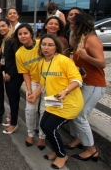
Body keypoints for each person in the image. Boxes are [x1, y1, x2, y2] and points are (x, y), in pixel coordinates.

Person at [31, 34, 83, 169]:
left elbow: (77, 80)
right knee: (44, 125)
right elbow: (43, 83)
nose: (46, 47)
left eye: (50, 45)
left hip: (69, 102)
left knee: (50, 127)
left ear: (56, 47)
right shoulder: (42, 62)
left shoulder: (64, 61)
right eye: (44, 44)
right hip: (54, 100)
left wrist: (66, 91)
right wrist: (35, 94)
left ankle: (62, 155)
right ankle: (56, 149)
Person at [66, 13, 106, 162]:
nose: (70, 26)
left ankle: (91, 149)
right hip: (84, 83)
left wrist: (84, 56)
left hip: (94, 84)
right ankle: (78, 139)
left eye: (72, 23)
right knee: (74, 111)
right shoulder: (81, 39)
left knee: (79, 115)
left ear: (79, 24)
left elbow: (102, 63)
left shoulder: (92, 39)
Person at [13, 24, 46, 149]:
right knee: (30, 109)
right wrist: (29, 89)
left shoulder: (41, 44)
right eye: (20, 34)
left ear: (31, 34)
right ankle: (30, 134)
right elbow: (25, 72)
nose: (23, 36)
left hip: (49, 82)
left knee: (44, 110)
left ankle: (42, 137)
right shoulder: (19, 53)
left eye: (25, 33)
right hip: (33, 81)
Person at [0, 19, 24, 134]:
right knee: (12, 98)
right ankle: (13, 118)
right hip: (9, 72)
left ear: (9, 26)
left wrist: (9, 73)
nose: (1, 29)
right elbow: (8, 59)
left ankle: (14, 123)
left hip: (15, 74)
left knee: (13, 99)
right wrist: (1, 65)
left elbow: (19, 60)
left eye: (3, 26)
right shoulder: (5, 40)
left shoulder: (13, 40)